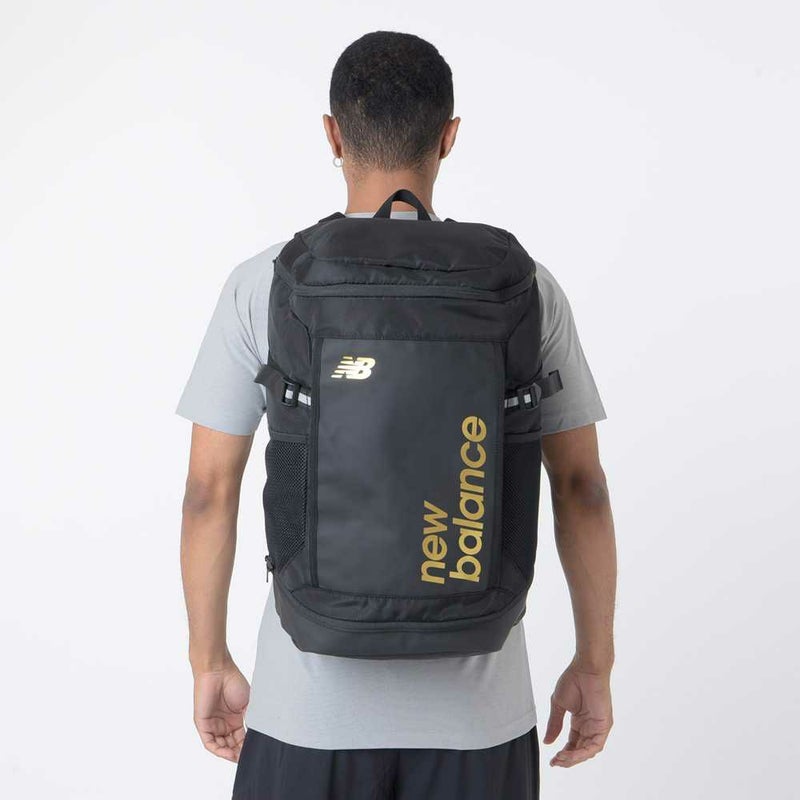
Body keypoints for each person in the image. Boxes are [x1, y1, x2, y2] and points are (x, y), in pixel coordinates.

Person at [176, 30, 616, 800]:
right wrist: (594, 663)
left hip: (306, 714)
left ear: (332, 135)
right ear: (449, 136)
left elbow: (208, 492)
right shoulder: (523, 288)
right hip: (478, 722)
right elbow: (582, 489)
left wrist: (207, 661)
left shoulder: (266, 284)